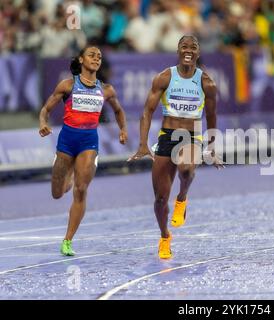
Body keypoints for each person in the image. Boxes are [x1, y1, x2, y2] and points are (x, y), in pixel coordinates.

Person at [128, 35, 223, 259]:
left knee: (187, 169)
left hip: (190, 136)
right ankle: (164, 237)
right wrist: (142, 143)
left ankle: (182, 198)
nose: (188, 50)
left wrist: (211, 147)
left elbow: (211, 116)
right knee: (160, 199)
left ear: (198, 53)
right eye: (184, 46)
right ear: (178, 51)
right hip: (167, 136)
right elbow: (147, 111)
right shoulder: (164, 78)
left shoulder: (206, 83)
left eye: (193, 47)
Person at [39, 46, 128, 256]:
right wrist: (43, 123)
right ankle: (67, 174)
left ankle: (67, 240)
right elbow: (45, 109)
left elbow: (118, 110)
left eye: (99, 56)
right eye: (91, 55)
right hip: (67, 141)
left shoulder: (106, 89)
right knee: (57, 193)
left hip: (89, 141)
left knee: (81, 190)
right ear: (81, 60)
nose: (96, 58)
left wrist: (123, 129)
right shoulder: (68, 85)